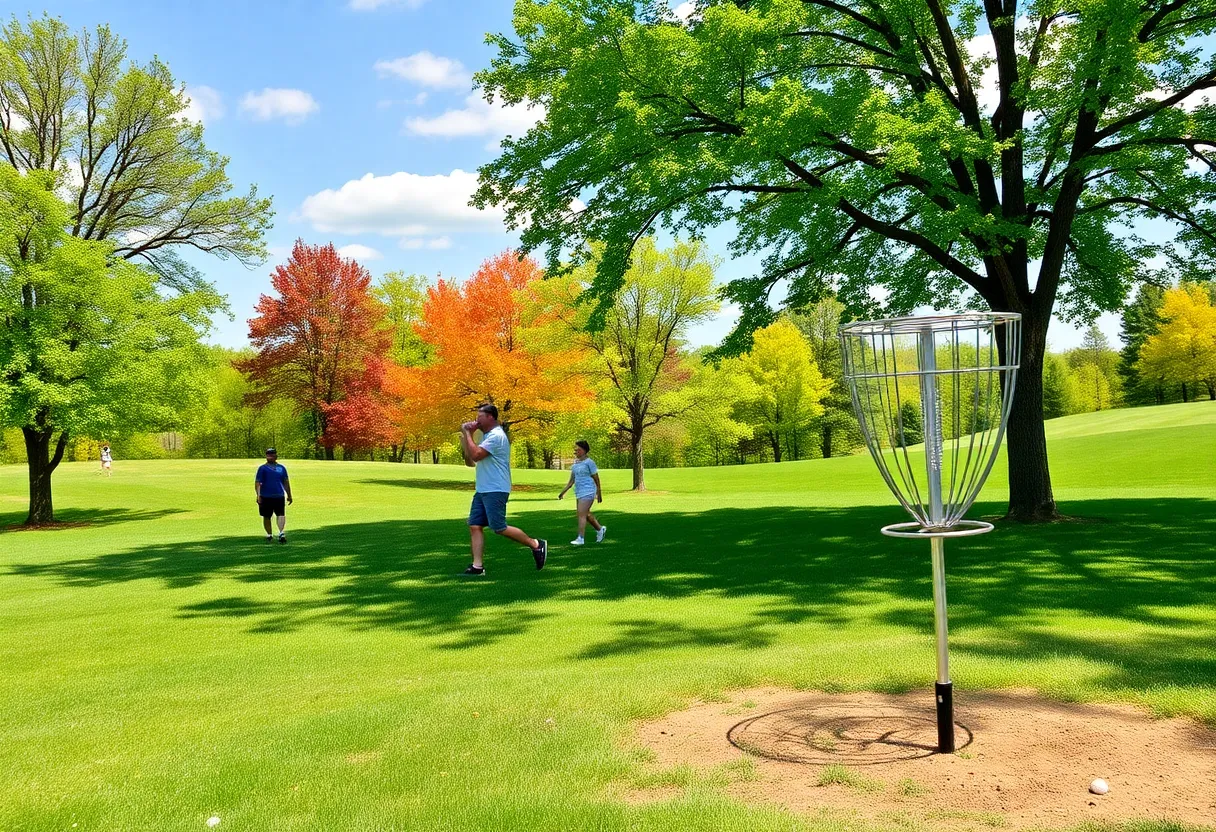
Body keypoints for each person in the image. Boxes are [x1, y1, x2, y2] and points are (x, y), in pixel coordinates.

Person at [459, 403, 547, 576]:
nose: (476, 420)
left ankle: (536, 544)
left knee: (498, 527)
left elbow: (476, 455)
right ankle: (477, 567)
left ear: (491, 417)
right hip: (483, 489)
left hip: (496, 489)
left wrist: (469, 434)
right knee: (475, 525)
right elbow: (471, 462)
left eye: (480, 417)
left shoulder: (496, 436)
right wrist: (465, 439)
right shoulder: (486, 437)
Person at [558, 439, 606, 545]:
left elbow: (596, 478)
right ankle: (600, 529)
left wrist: (599, 493)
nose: (576, 451)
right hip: (579, 492)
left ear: (584, 451)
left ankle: (580, 538)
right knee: (585, 514)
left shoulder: (590, 463)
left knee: (581, 515)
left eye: (578, 449)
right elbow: (572, 480)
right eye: (575, 449)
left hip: (588, 491)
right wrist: (563, 492)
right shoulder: (576, 463)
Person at [255, 447, 293, 543]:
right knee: (266, 516)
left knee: (281, 515)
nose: (270, 456)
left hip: (279, 496)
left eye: (272, 454)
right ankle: (269, 534)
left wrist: (289, 495)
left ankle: (281, 533)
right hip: (265, 496)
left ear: (276, 455)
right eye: (268, 454)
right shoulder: (262, 469)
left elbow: (286, 482)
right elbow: (258, 483)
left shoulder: (281, 468)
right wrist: (258, 495)